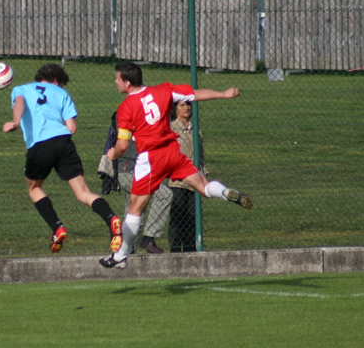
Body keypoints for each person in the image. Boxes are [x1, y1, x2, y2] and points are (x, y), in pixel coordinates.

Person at [100, 62, 253, 269]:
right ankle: (225, 192)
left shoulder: (126, 107)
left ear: (127, 83)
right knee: (204, 186)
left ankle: (121, 255)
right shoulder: (163, 90)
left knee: (135, 209)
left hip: (151, 159)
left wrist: (113, 154)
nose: (115, 81)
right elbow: (194, 94)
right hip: (173, 152)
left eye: (117, 78)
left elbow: (123, 145)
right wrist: (223, 94)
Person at [3, 63, 123, 253]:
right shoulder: (62, 94)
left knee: (34, 187)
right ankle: (111, 219)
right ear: (57, 81)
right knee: (83, 193)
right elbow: (72, 127)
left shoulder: (21, 89)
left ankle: (57, 227)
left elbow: (20, 103)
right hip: (64, 142)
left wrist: (16, 121)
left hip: (40, 145)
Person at [97, 113, 172, 254]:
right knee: (164, 194)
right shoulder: (130, 119)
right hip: (129, 171)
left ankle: (125, 249)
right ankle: (149, 237)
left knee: (133, 210)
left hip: (136, 172)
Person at [166, 99, 207, 253]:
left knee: (192, 218)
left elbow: (201, 155)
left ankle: (191, 249)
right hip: (177, 181)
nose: (186, 108)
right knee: (177, 217)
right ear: (175, 109)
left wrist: (204, 173)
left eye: (188, 105)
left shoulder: (195, 129)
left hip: (195, 181)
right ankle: (175, 250)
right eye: (182, 105)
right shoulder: (171, 129)